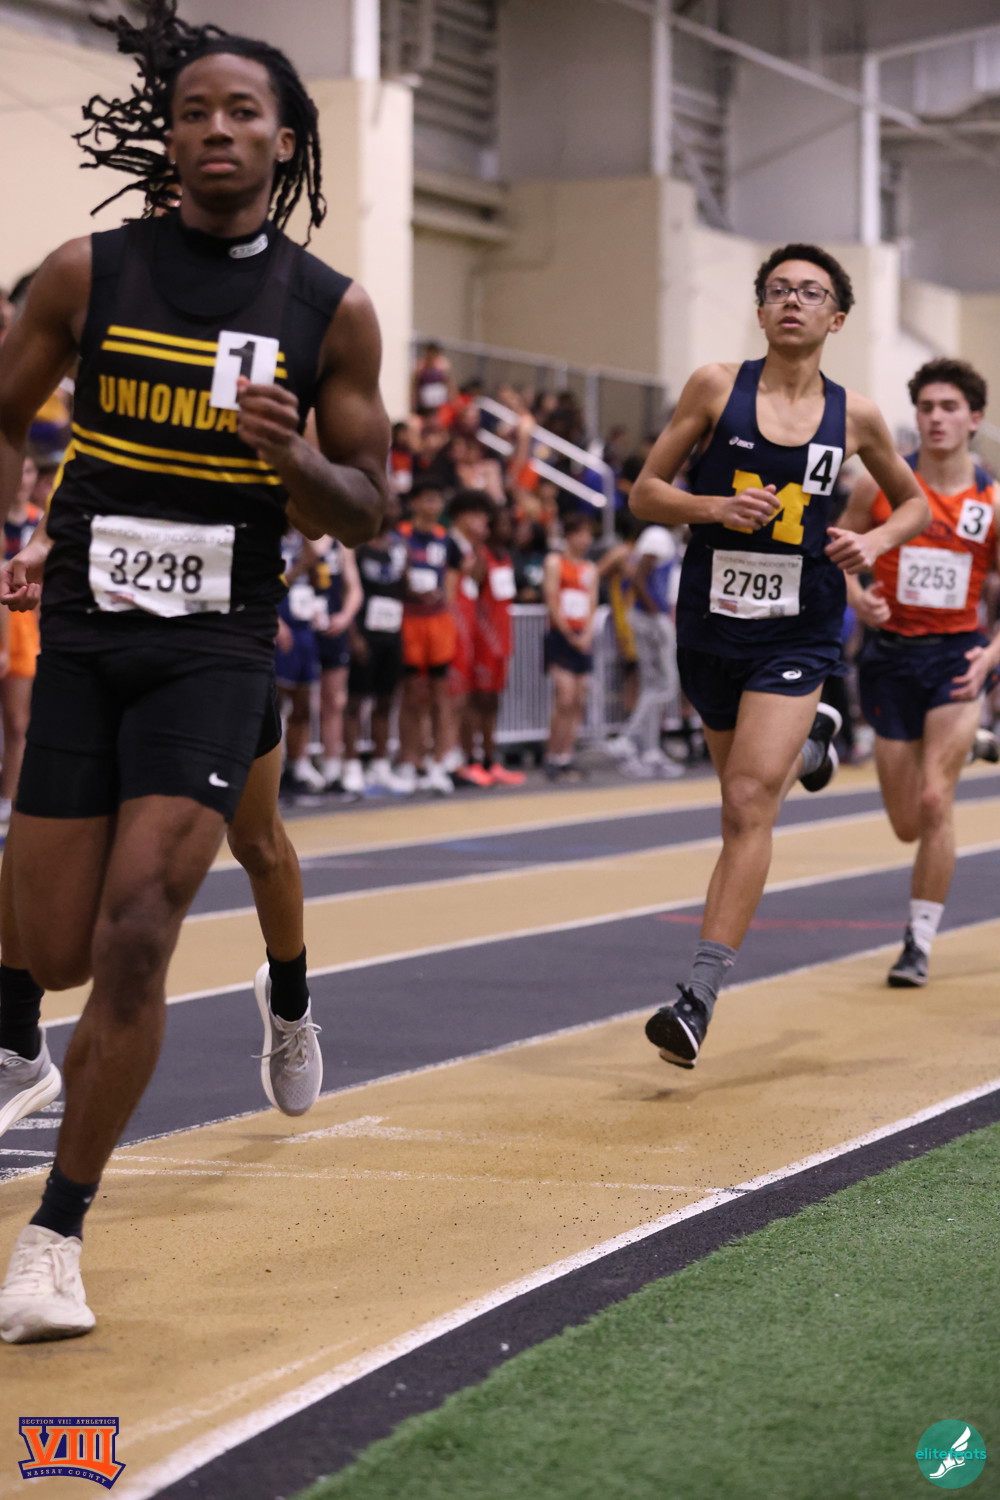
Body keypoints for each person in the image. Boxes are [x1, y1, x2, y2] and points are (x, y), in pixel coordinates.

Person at [0, 1, 389, 1342]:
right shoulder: (87, 273)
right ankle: (26, 1040)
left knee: (137, 931)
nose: (216, 129)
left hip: (216, 650)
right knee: (49, 945)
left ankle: (55, 1237)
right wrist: (14, 530)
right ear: (168, 139)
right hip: (85, 635)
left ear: (284, 141)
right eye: (194, 112)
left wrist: (294, 457)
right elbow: (3, 412)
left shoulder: (329, 310)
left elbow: (367, 508)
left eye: (242, 112)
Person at [630, 242, 929, 1069]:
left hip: (801, 626)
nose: (792, 301)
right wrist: (713, 508)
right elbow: (645, 492)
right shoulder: (714, 387)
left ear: (838, 319)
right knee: (744, 787)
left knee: (746, 803)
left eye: (810, 292)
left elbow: (913, 505)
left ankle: (696, 997)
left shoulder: (856, 415)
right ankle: (814, 740)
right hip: (711, 625)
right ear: (760, 309)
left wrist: (873, 543)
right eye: (779, 289)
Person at [845, 357, 1000, 986]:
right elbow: (835, 549)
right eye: (927, 407)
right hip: (889, 658)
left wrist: (990, 655)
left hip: (957, 656)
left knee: (936, 800)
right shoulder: (880, 484)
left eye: (949, 408)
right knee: (906, 821)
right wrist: (858, 595)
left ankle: (918, 943)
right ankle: (975, 744)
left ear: (974, 419)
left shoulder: (991, 501)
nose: (936, 418)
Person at [604, 519, 684, 779]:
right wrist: (657, 615)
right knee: (665, 686)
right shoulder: (658, 536)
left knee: (652, 686)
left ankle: (649, 751)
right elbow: (638, 579)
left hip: (648, 617)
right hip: (649, 618)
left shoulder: (663, 538)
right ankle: (628, 738)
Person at [342, 499, 409, 796]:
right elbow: (347, 590)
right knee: (356, 701)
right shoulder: (357, 545)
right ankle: (351, 763)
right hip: (364, 631)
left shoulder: (399, 547)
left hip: (392, 631)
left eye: (395, 507)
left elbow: (404, 588)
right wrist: (353, 634)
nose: (391, 512)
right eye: (386, 506)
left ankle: (381, 763)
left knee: (386, 700)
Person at [396, 479, 457, 796]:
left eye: (438, 500)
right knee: (411, 694)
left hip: (438, 621)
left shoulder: (446, 540)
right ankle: (410, 759)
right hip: (409, 619)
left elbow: (453, 580)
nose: (434, 506)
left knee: (440, 695)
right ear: (415, 503)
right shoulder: (401, 536)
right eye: (428, 499)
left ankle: (438, 761)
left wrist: (443, 600)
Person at [543, 512, 599, 781]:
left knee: (577, 700)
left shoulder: (590, 569)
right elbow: (551, 598)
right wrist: (567, 632)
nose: (586, 540)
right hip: (561, 635)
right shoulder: (555, 562)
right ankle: (552, 754)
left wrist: (586, 634)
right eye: (582, 534)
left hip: (582, 634)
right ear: (570, 535)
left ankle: (567, 754)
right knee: (564, 697)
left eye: (589, 535)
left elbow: (592, 602)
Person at [312, 533, 362, 791]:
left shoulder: (340, 545)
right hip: (300, 626)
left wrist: (344, 617)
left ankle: (332, 762)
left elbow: (355, 589)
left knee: (334, 700)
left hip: (331, 627)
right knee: (294, 700)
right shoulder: (292, 540)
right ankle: (297, 762)